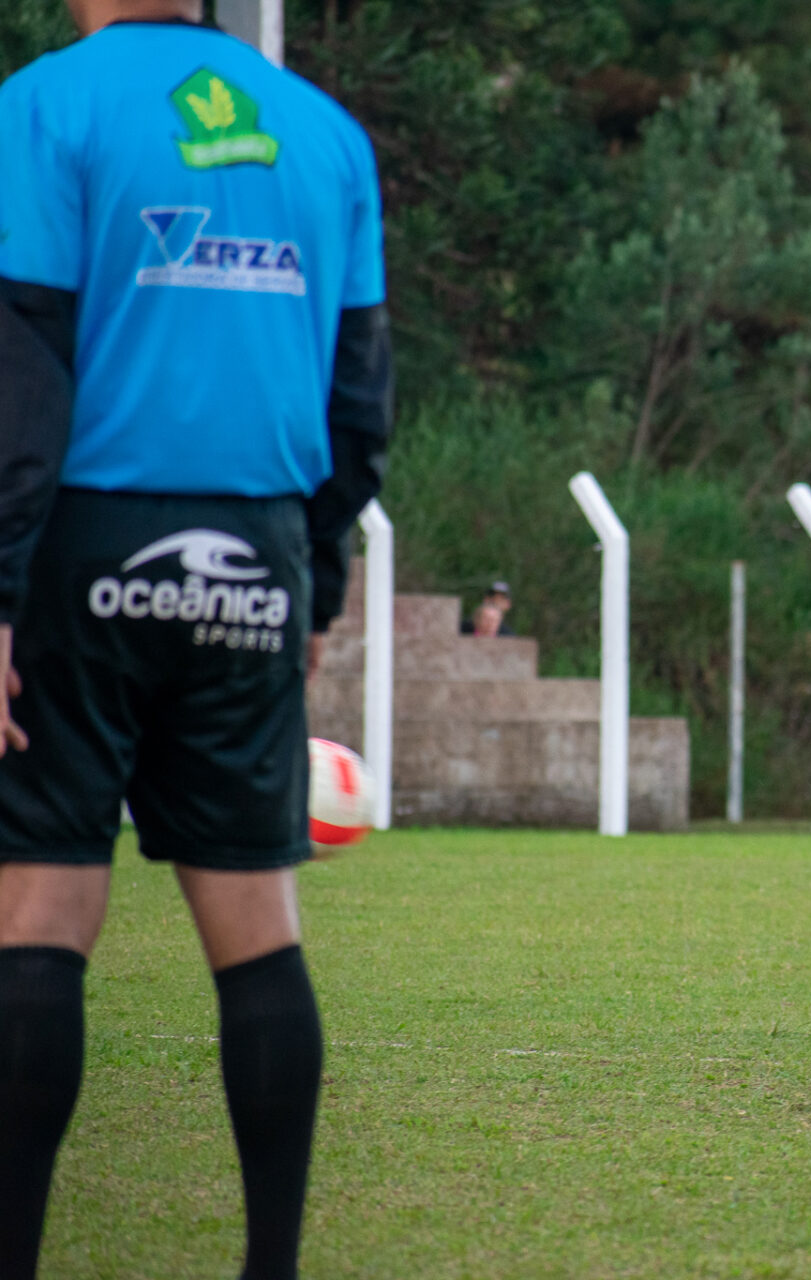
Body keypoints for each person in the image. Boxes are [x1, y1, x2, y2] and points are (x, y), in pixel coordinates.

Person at [0, 3, 391, 1276]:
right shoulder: (325, 134)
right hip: (256, 549)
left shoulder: (46, 107)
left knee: (42, 903)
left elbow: (23, 362)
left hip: (81, 544)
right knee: (257, 923)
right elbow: (359, 389)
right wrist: (315, 583)